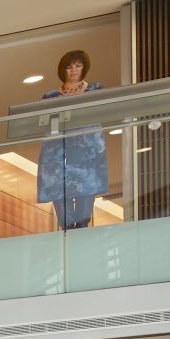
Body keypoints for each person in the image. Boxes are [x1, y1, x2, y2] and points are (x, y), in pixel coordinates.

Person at [35, 47, 111, 230]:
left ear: (84, 68)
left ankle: (82, 226)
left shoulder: (95, 89)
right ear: (63, 70)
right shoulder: (50, 97)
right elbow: (46, 124)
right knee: (59, 190)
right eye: (69, 67)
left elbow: (101, 112)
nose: (74, 70)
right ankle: (66, 227)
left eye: (78, 66)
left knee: (87, 189)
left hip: (87, 150)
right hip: (58, 151)